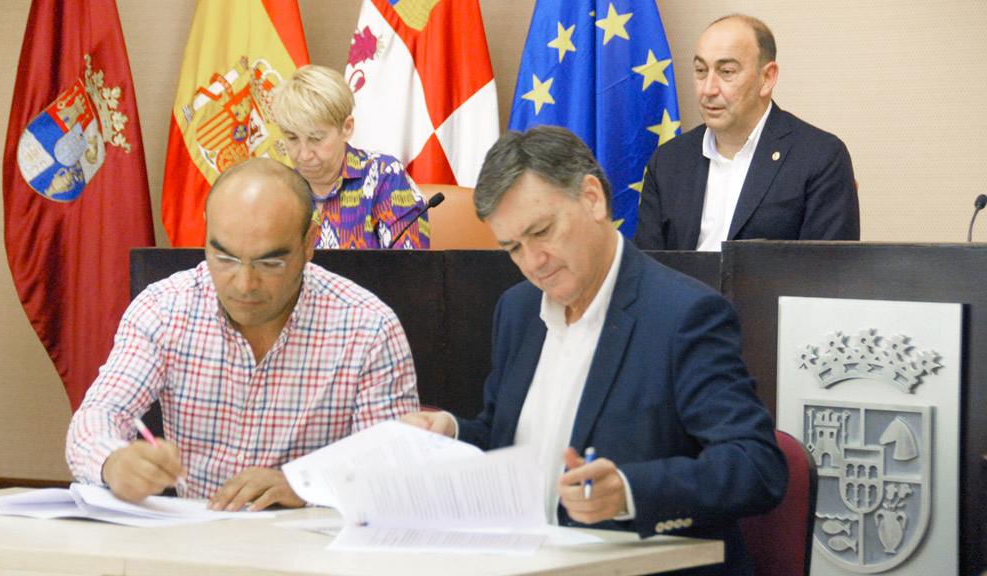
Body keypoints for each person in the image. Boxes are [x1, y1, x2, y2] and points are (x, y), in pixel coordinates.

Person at [403, 126, 788, 576]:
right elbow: (509, 439)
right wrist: (451, 434)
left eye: (542, 232)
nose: (533, 262)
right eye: (513, 248)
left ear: (592, 198)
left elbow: (757, 465)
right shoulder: (517, 311)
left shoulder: (683, 316)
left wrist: (629, 491)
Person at [67, 158, 420, 512]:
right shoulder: (165, 309)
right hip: (197, 543)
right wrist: (114, 464)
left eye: (270, 263)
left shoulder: (369, 328)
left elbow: (396, 472)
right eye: (224, 258)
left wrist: (308, 485)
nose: (244, 284)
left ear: (310, 242)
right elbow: (97, 416)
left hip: (312, 549)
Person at [633, 14, 860, 251]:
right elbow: (646, 270)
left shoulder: (820, 157)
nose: (708, 89)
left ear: (767, 78)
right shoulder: (669, 160)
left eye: (726, 72)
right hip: (683, 288)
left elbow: (827, 275)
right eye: (701, 70)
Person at [270, 64, 430, 250]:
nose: (304, 154)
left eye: (316, 139)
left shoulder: (384, 176)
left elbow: (410, 270)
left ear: (346, 128)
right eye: (292, 138)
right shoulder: (279, 189)